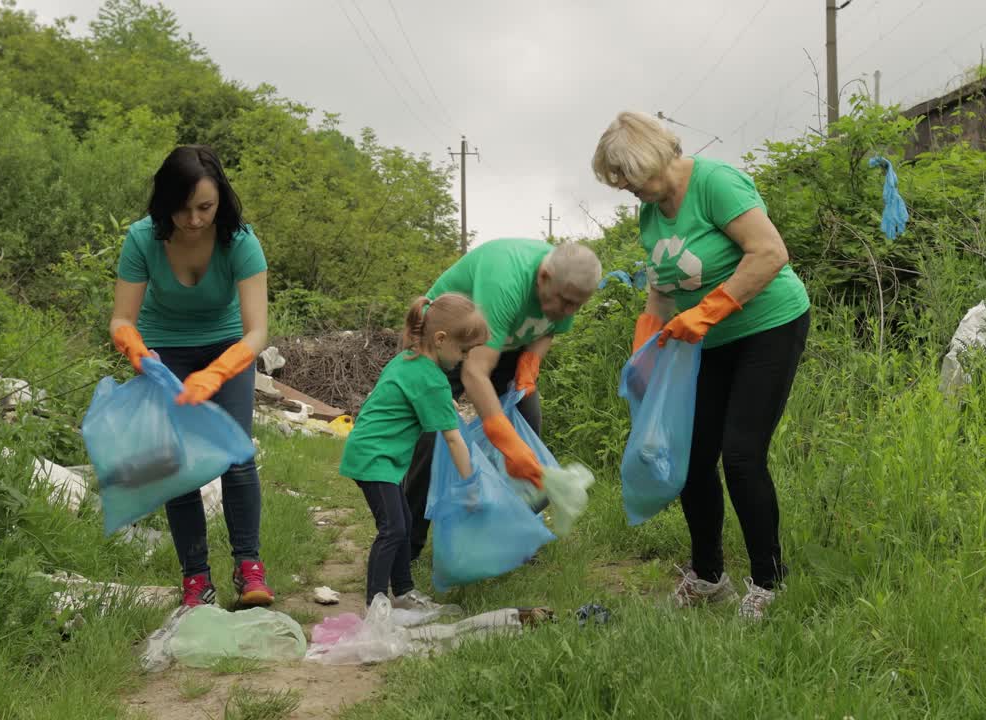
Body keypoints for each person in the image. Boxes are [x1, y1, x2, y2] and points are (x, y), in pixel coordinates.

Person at [592, 111, 811, 620]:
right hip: (707, 343)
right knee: (690, 458)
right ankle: (709, 576)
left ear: (647, 159)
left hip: (770, 327)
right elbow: (660, 289)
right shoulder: (650, 213)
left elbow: (770, 253)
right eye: (615, 180)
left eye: (624, 175)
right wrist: (643, 355)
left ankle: (769, 582)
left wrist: (707, 312)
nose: (622, 187)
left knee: (741, 455)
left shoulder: (716, 183)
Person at [109, 145, 273, 608]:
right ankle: (196, 580)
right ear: (165, 202)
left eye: (205, 207)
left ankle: (249, 568)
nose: (195, 219)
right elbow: (122, 318)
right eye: (183, 209)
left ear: (220, 200)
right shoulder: (142, 239)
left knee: (235, 451)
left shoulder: (240, 241)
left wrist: (218, 372)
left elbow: (257, 331)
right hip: (165, 353)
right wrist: (135, 348)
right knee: (177, 462)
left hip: (229, 348)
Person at [402, 238, 603, 560]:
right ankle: (407, 544)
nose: (569, 312)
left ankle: (515, 536)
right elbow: (474, 373)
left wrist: (529, 366)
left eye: (576, 306)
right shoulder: (506, 280)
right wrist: (507, 444)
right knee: (430, 435)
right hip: (442, 341)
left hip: (504, 348)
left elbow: (548, 329)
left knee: (527, 424)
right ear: (544, 277)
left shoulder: (567, 288)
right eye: (565, 302)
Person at [340, 293, 487, 609]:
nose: (464, 358)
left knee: (404, 521)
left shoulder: (408, 359)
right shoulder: (432, 379)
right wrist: (470, 484)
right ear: (441, 338)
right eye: (463, 350)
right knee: (392, 528)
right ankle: (376, 603)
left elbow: (406, 394)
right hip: (374, 457)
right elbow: (453, 440)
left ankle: (403, 591)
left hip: (377, 454)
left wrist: (443, 402)